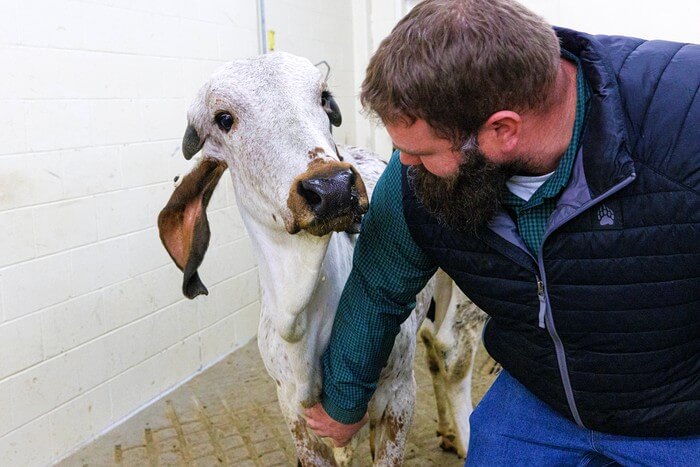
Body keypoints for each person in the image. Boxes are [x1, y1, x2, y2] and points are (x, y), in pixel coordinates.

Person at [304, 0, 700, 464]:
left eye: (422, 152)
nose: (404, 165)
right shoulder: (416, 176)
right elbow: (378, 282)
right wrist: (344, 404)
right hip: (542, 396)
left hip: (680, 412)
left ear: (503, 130)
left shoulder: (684, 125)